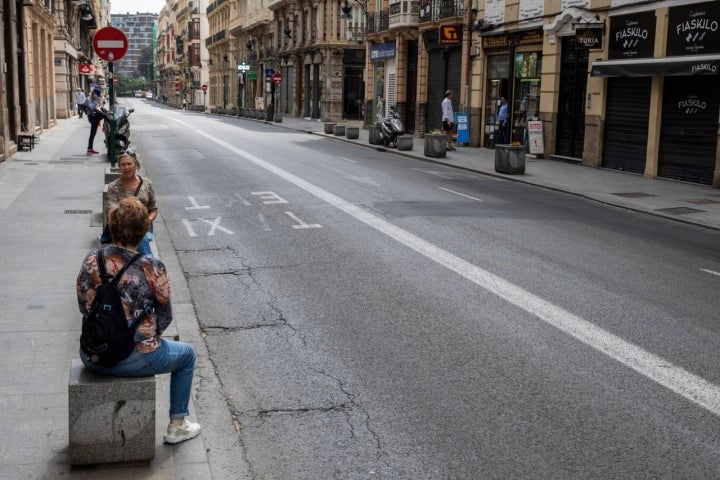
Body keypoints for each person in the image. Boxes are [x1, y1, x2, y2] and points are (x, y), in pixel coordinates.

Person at [77, 196, 201, 445]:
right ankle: (177, 425)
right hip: (138, 357)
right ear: (144, 230)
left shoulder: (93, 259)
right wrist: (145, 334)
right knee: (187, 354)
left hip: (92, 355)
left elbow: (83, 306)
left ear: (111, 226)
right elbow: (165, 315)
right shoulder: (151, 266)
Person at [105, 151, 157, 257]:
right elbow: (112, 212)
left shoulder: (147, 184)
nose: (126, 167)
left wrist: (145, 222)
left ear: (136, 165)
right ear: (119, 167)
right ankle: (150, 264)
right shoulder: (113, 187)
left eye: (129, 164)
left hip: (143, 225)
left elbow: (154, 209)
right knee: (136, 238)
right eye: (123, 165)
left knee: (139, 236)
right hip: (122, 228)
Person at [84, 88, 103, 154]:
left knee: (93, 134)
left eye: (98, 95)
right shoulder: (88, 99)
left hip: (95, 116)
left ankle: (90, 148)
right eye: (96, 95)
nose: (97, 97)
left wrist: (100, 106)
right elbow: (92, 108)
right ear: (93, 93)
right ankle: (106, 128)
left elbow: (98, 106)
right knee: (105, 116)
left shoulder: (94, 99)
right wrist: (98, 107)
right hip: (92, 117)